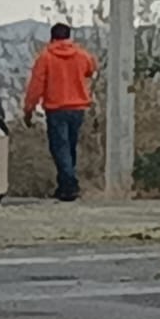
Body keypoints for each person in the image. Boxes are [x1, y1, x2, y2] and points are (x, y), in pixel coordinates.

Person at [22, 22, 97, 202]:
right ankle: (64, 185)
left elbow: (36, 86)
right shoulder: (82, 55)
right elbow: (91, 69)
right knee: (70, 147)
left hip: (56, 108)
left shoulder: (46, 58)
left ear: (52, 37)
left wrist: (29, 109)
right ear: (69, 36)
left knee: (60, 147)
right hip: (78, 107)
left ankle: (69, 185)